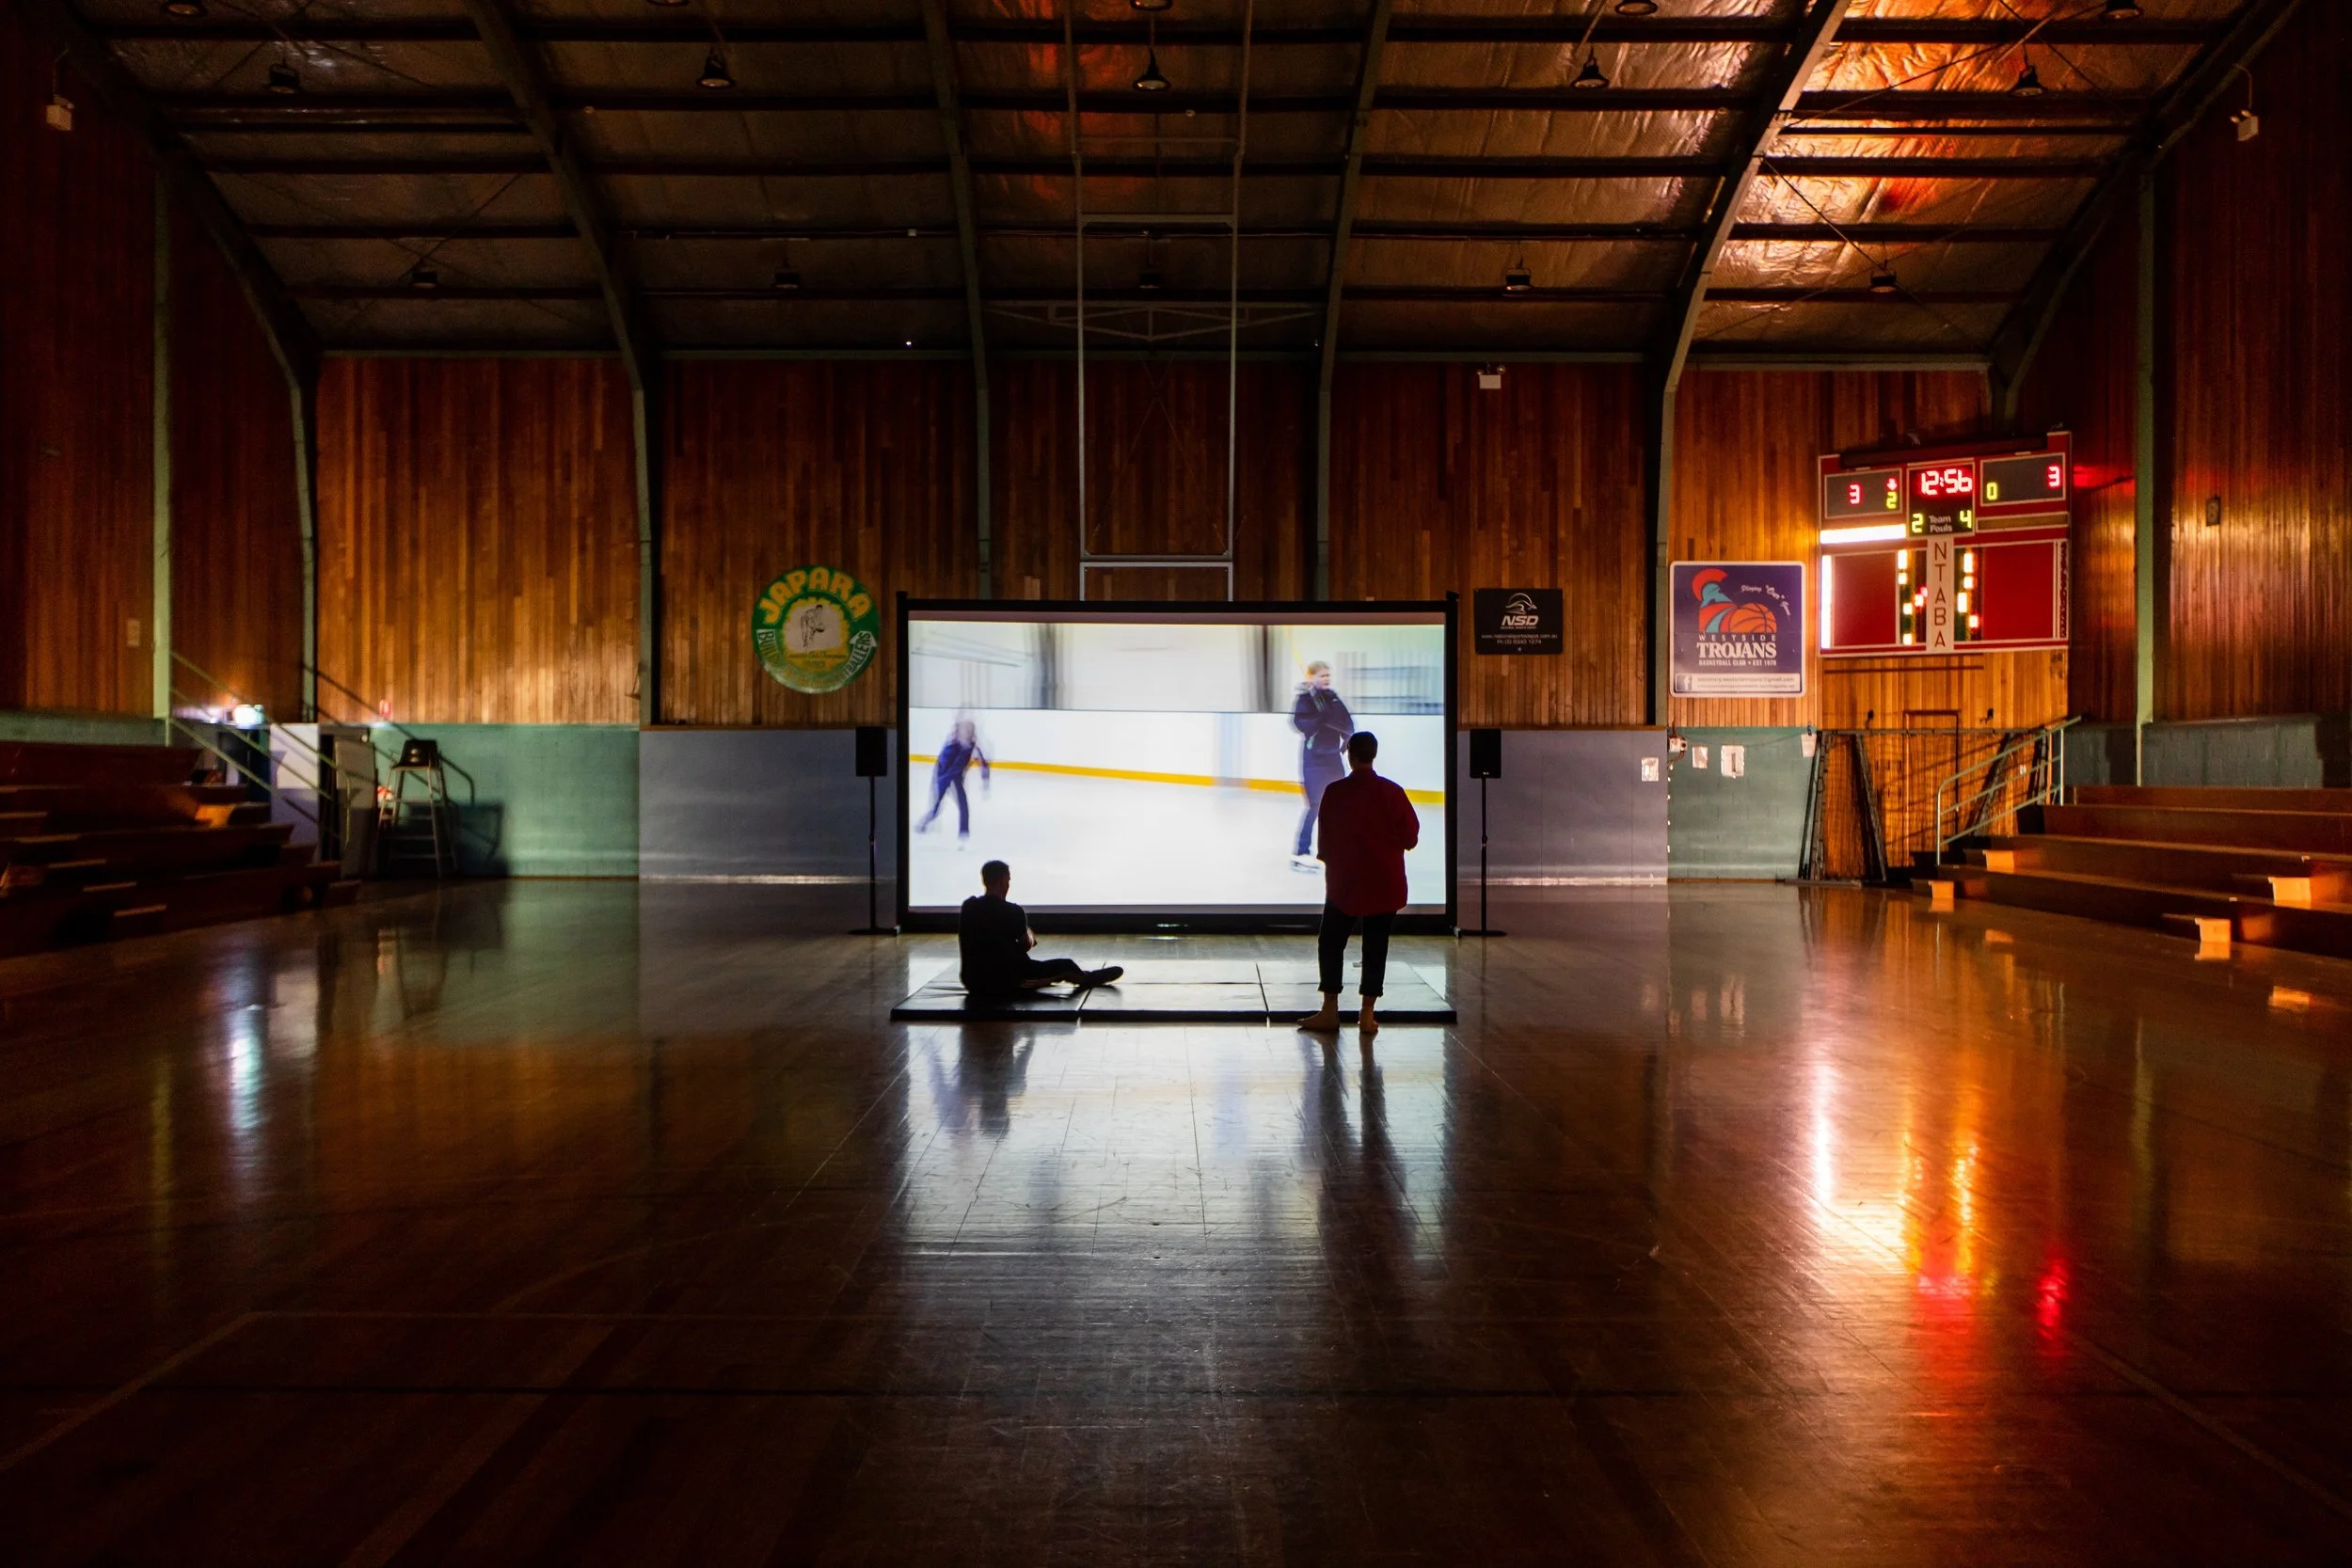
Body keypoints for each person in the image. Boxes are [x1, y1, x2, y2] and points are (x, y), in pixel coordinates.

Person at [1299, 732, 1419, 1037]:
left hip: (1346, 884)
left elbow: (1325, 842)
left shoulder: (1335, 792)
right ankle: (1367, 1015)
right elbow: (1410, 838)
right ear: (1373, 755)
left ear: (1349, 755)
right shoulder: (1393, 792)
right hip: (1384, 884)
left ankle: (1330, 1009)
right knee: (1376, 945)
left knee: (1331, 942)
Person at [959, 860, 1123, 1001]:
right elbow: (1026, 945)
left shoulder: (968, 906)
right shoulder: (1013, 911)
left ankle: (1079, 974)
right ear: (1003, 881)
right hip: (1008, 980)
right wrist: (1029, 934)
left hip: (971, 980)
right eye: (1008, 880)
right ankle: (1087, 977)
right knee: (1066, 966)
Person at [1290, 660, 1354, 871]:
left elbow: (1347, 723)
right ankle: (1301, 853)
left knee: (1339, 804)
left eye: (1328, 675)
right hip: (1314, 760)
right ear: (1312, 677)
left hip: (1333, 759)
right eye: (1322, 675)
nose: (1326, 679)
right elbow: (1298, 724)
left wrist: (1346, 741)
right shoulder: (1305, 699)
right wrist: (1319, 719)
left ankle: (1336, 849)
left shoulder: (1333, 698)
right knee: (1315, 805)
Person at [919, 717, 990, 840]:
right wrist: (941, 780)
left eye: (971, 731)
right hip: (944, 778)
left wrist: (985, 779)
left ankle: (964, 833)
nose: (969, 733)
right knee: (936, 807)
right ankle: (924, 823)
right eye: (966, 730)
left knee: (963, 805)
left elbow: (983, 763)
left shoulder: (972, 747)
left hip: (955, 779)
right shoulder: (952, 746)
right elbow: (941, 765)